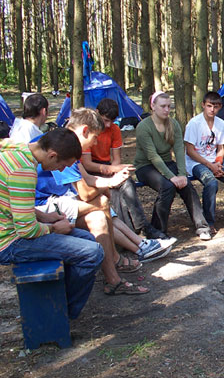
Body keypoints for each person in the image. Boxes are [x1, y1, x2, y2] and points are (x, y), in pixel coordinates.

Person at [36, 109, 160, 295]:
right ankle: (117, 261)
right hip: (44, 205)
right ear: (85, 130)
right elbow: (85, 193)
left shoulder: (66, 143)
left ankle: (114, 275)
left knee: (99, 216)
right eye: (95, 137)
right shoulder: (61, 148)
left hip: (57, 201)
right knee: (101, 202)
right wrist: (108, 184)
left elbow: (87, 179)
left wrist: (109, 181)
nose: (95, 143)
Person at [0, 128, 104, 318]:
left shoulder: (17, 149)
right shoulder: (23, 170)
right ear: (52, 155)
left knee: (87, 238)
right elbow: (26, 230)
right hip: (8, 242)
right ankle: (59, 313)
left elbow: (10, 201)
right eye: (63, 165)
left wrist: (45, 217)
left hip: (11, 228)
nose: (62, 170)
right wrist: (54, 228)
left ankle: (57, 299)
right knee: (92, 253)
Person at [81, 98, 169, 240]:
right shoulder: (90, 131)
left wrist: (116, 170)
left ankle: (141, 227)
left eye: (111, 121)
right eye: (105, 120)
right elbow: (87, 164)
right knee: (115, 190)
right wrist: (111, 170)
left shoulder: (114, 129)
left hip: (107, 166)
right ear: (97, 113)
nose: (108, 125)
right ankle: (133, 230)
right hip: (92, 171)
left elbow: (116, 158)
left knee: (127, 184)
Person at [135, 91, 212, 240]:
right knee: (167, 186)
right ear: (153, 106)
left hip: (167, 163)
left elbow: (179, 150)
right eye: (162, 106)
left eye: (169, 106)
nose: (166, 110)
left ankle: (202, 226)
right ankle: (158, 231)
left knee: (187, 185)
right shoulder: (144, 127)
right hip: (145, 166)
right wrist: (172, 177)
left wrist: (182, 174)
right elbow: (152, 156)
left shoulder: (173, 124)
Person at [185, 91, 224, 230]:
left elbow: (220, 148)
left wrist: (218, 163)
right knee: (211, 182)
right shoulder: (194, 123)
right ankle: (209, 222)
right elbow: (190, 151)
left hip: (214, 162)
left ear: (220, 107)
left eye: (216, 106)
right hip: (196, 163)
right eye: (209, 106)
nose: (212, 109)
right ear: (203, 105)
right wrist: (210, 165)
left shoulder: (220, 123)